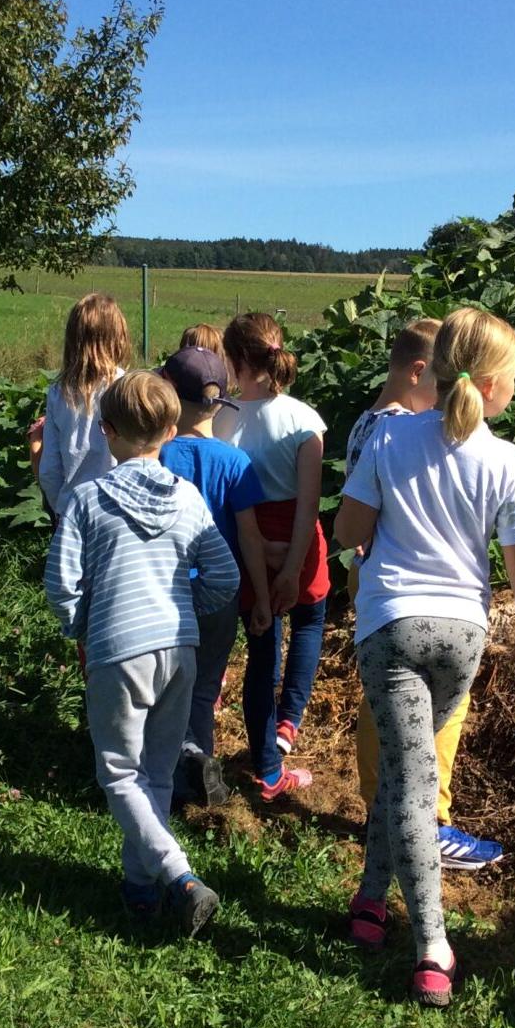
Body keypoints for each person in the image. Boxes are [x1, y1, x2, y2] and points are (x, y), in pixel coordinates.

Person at [333, 307, 515, 1007]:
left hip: (392, 625)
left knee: (410, 783)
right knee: (411, 771)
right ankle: (372, 902)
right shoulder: (507, 460)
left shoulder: (391, 437)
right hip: (463, 635)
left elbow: (349, 529)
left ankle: (431, 944)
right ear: (492, 385)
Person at [44, 371, 240, 935]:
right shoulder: (188, 497)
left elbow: (61, 585)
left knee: (118, 775)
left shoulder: (85, 499)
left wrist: (86, 626)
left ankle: (178, 876)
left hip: (117, 650)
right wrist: (186, 606)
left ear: (106, 431)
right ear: (172, 430)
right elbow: (224, 577)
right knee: (155, 771)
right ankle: (141, 889)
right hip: (181, 650)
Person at [347, 318, 503, 872]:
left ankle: (388, 811)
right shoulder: (400, 431)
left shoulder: (373, 425)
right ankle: (425, 822)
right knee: (437, 713)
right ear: (424, 373)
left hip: (380, 592)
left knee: (387, 704)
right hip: (412, 592)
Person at [215, 312, 329, 801]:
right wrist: (292, 565)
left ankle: (266, 760)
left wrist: (264, 561)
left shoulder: (221, 418)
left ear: (235, 359)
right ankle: (289, 722)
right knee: (308, 620)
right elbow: (310, 505)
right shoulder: (305, 420)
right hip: (299, 541)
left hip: (247, 541)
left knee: (262, 647)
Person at [158, 345, 271, 807]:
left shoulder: (157, 455)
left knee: (162, 688)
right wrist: (260, 597)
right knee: (204, 691)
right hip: (220, 597)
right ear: (219, 402)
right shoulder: (234, 463)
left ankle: (158, 776)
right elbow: (250, 539)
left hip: (164, 591)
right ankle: (197, 776)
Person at [37, 293, 132, 517]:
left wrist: (61, 509)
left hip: (73, 509)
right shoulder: (127, 387)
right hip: (118, 510)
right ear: (118, 336)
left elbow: (49, 469)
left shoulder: (58, 393)